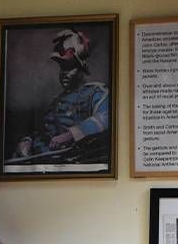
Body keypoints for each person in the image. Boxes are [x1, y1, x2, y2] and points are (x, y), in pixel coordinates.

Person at [12, 28, 109, 163]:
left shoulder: (95, 92)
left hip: (69, 160)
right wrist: (27, 141)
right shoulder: (56, 100)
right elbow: (44, 132)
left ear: (81, 69)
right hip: (39, 160)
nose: (64, 72)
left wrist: (70, 135)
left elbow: (105, 118)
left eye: (69, 67)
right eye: (62, 67)